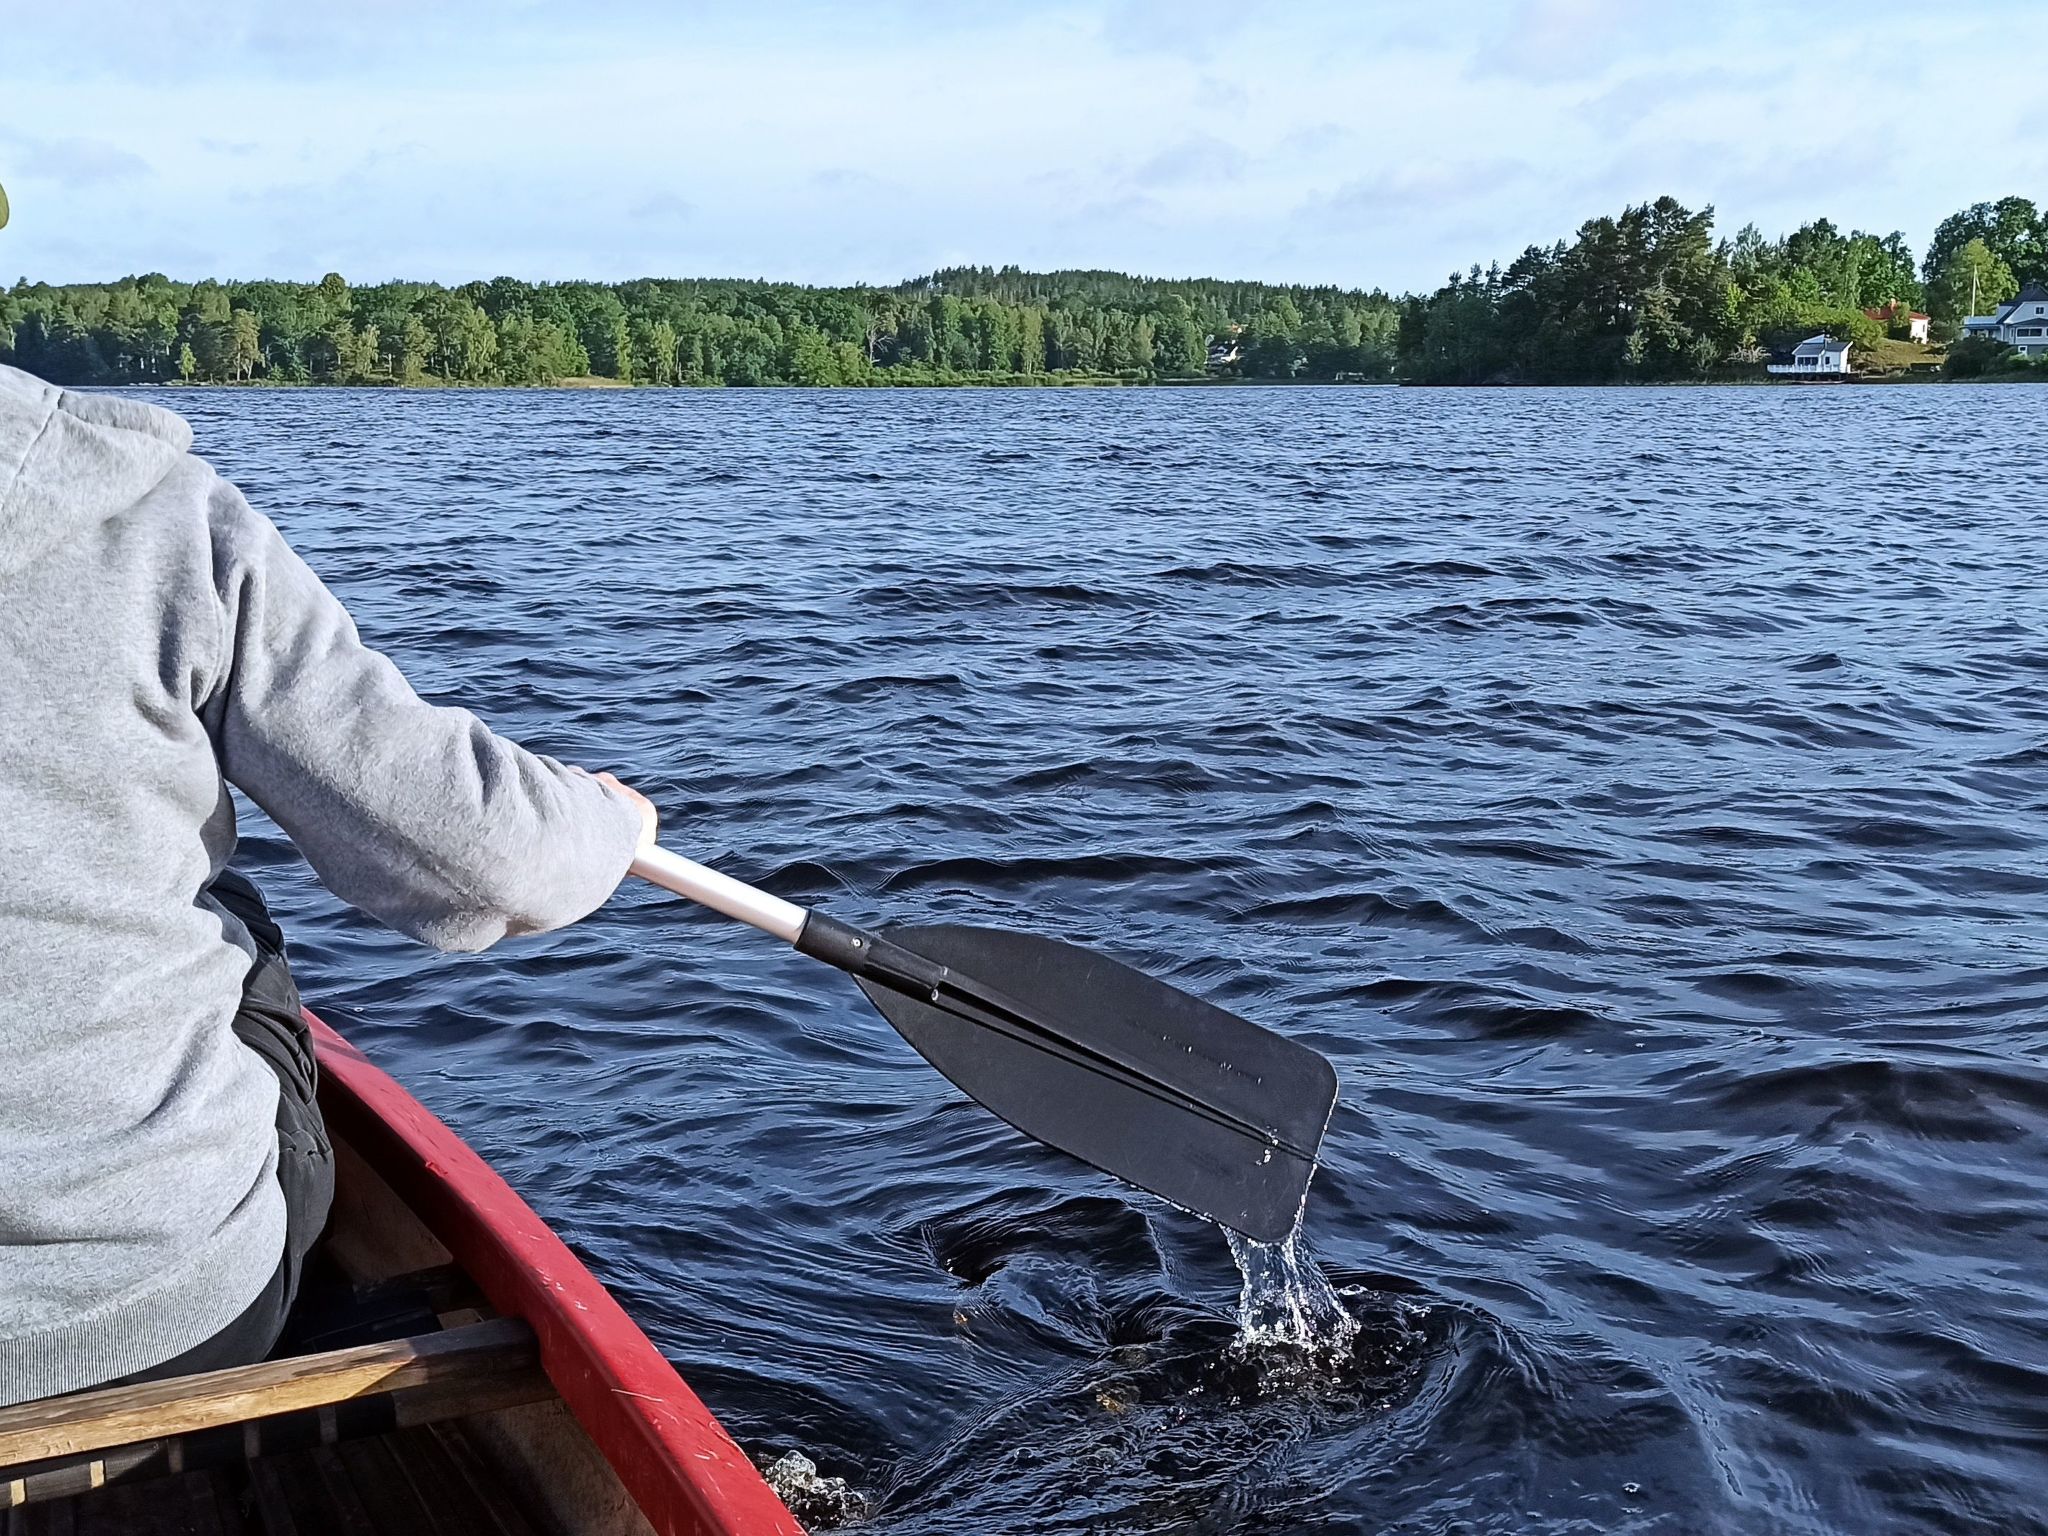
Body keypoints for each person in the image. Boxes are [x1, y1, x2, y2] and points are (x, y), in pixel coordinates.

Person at [0, 177, 660, 1405]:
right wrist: (610, 826)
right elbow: (483, 860)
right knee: (238, 928)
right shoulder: (155, 519)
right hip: (151, 1314)